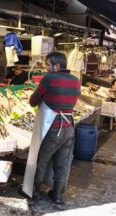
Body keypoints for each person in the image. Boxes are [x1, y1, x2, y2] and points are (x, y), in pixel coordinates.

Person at [28, 52, 81, 205]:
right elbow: (73, 100)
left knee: (42, 161)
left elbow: (33, 101)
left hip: (52, 128)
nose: (46, 68)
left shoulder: (49, 79)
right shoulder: (76, 81)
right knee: (62, 163)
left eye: (48, 65)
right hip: (69, 127)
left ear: (57, 65)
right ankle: (57, 196)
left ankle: (35, 193)